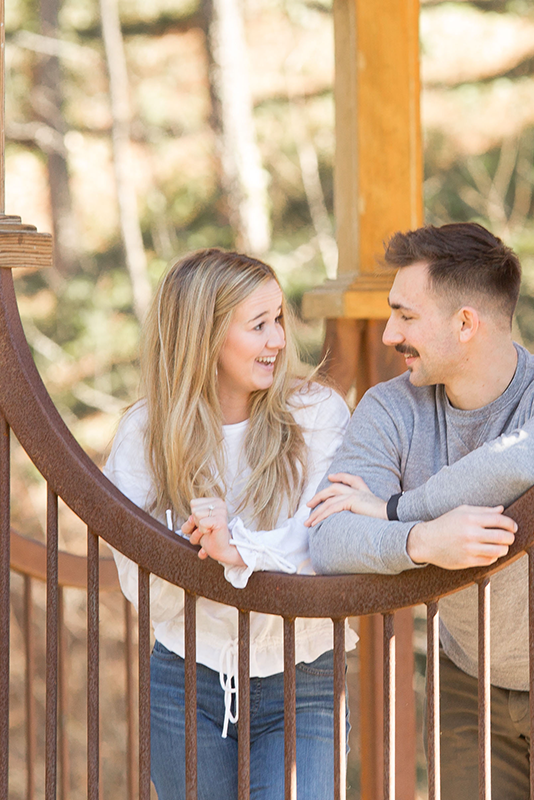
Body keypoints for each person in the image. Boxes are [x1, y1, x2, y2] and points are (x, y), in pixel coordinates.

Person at [305, 223, 534, 799]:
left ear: (465, 323)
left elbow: (523, 461)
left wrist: (398, 508)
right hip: (466, 684)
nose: (388, 334)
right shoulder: (390, 408)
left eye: (406, 316)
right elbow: (330, 539)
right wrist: (421, 542)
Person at [104, 249, 356, 800]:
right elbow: (143, 588)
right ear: (205, 336)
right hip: (185, 681)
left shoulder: (317, 414)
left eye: (280, 321)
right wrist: (193, 551)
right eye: (259, 325)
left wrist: (236, 549)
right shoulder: (144, 434)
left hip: (302, 675)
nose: (280, 341)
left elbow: (329, 539)